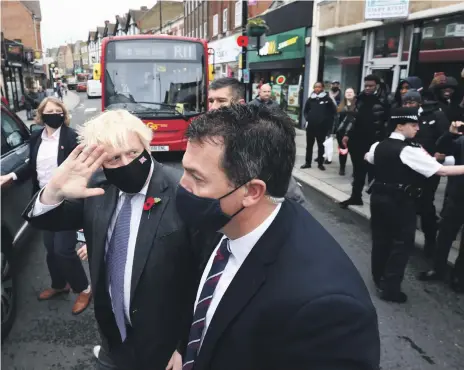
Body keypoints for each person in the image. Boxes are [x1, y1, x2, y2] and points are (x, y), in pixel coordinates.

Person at [178, 104, 380, 370]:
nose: (182, 185)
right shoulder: (223, 222)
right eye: (184, 170)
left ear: (251, 192)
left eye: (197, 178)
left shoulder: (327, 310)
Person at [21, 109, 202, 370]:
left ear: (146, 146)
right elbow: (44, 219)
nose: (126, 163)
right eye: (114, 158)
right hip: (112, 337)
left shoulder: (183, 192)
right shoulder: (97, 187)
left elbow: (203, 274)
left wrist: (184, 346)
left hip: (164, 344)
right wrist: (54, 189)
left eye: (132, 153)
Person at [1, 97, 92, 314]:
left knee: (63, 249)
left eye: (57, 110)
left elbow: (82, 168)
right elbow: (30, 166)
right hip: (43, 200)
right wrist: (11, 176)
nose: (54, 114)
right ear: (41, 115)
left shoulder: (71, 137)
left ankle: (85, 288)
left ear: (63, 114)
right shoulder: (36, 138)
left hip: (66, 199)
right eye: (49, 111)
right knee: (51, 249)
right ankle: (59, 285)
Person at [365, 107, 464, 304]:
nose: (417, 128)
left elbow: (368, 157)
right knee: (401, 244)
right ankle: (390, 288)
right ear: (400, 126)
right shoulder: (408, 150)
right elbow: (441, 171)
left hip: (378, 198)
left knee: (380, 240)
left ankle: (379, 278)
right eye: (413, 125)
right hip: (400, 201)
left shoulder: (379, 145)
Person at [208, 77, 308, 207]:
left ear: (240, 104)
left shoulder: (257, 138)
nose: (213, 107)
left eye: (221, 101)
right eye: (211, 101)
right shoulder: (208, 135)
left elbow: (290, 192)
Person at [402, 90, 450, 257]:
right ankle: (406, 239)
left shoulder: (435, 115)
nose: (408, 105)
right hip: (409, 166)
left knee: (425, 204)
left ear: (419, 102)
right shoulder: (403, 117)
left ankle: (430, 241)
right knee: (407, 203)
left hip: (429, 167)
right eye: (406, 103)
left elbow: (446, 137)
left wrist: (440, 153)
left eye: (411, 102)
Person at [418, 121, 464, 293]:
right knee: (445, 236)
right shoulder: (461, 141)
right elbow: (440, 151)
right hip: (457, 196)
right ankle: (438, 269)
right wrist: (450, 133)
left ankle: (459, 277)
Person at [340, 74, 389, 208]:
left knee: (374, 172)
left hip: (375, 141)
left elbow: (387, 122)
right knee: (358, 171)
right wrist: (347, 134)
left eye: (371, 86)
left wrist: (384, 140)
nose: (367, 88)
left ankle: (377, 202)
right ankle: (356, 197)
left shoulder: (385, 100)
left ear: (377, 86)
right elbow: (353, 118)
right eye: (366, 85)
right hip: (357, 140)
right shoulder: (360, 99)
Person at [301, 82, 337, 171]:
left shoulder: (327, 99)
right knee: (309, 146)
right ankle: (307, 163)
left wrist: (328, 124)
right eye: (315, 87)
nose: (317, 89)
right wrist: (308, 118)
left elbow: (333, 112)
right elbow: (305, 111)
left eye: (319, 87)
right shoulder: (310, 99)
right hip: (311, 127)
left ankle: (320, 163)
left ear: (322, 88)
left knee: (321, 146)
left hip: (321, 127)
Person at [334, 87, 356, 176]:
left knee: (354, 153)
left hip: (353, 132)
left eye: (351, 92)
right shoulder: (342, 105)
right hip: (341, 132)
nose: (349, 94)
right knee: (343, 151)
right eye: (347, 92)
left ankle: (355, 171)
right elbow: (337, 118)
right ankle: (342, 168)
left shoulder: (357, 104)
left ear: (354, 94)